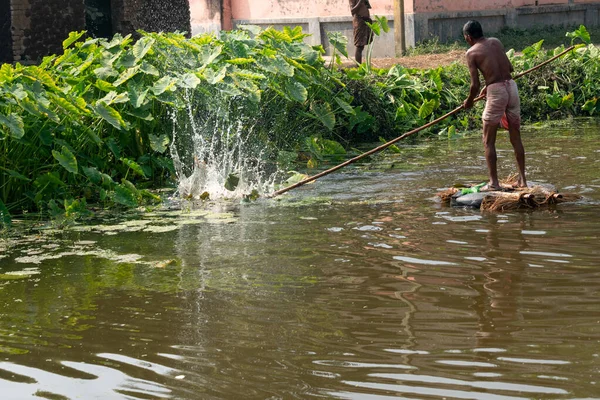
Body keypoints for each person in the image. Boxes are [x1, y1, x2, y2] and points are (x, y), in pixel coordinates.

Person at [462, 20, 527, 190]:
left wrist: (469, 101)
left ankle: (494, 183)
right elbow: (509, 68)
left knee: (488, 141)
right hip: (511, 87)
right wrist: (489, 84)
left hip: (497, 92)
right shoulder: (496, 42)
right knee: (516, 137)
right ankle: (522, 180)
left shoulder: (471, 52)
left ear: (468, 37)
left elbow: (474, 85)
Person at [349, 0, 373, 64]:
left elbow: (367, 7)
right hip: (359, 21)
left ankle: (360, 66)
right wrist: (360, 1)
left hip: (365, 21)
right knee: (359, 46)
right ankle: (358, 67)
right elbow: (352, 11)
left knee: (362, 46)